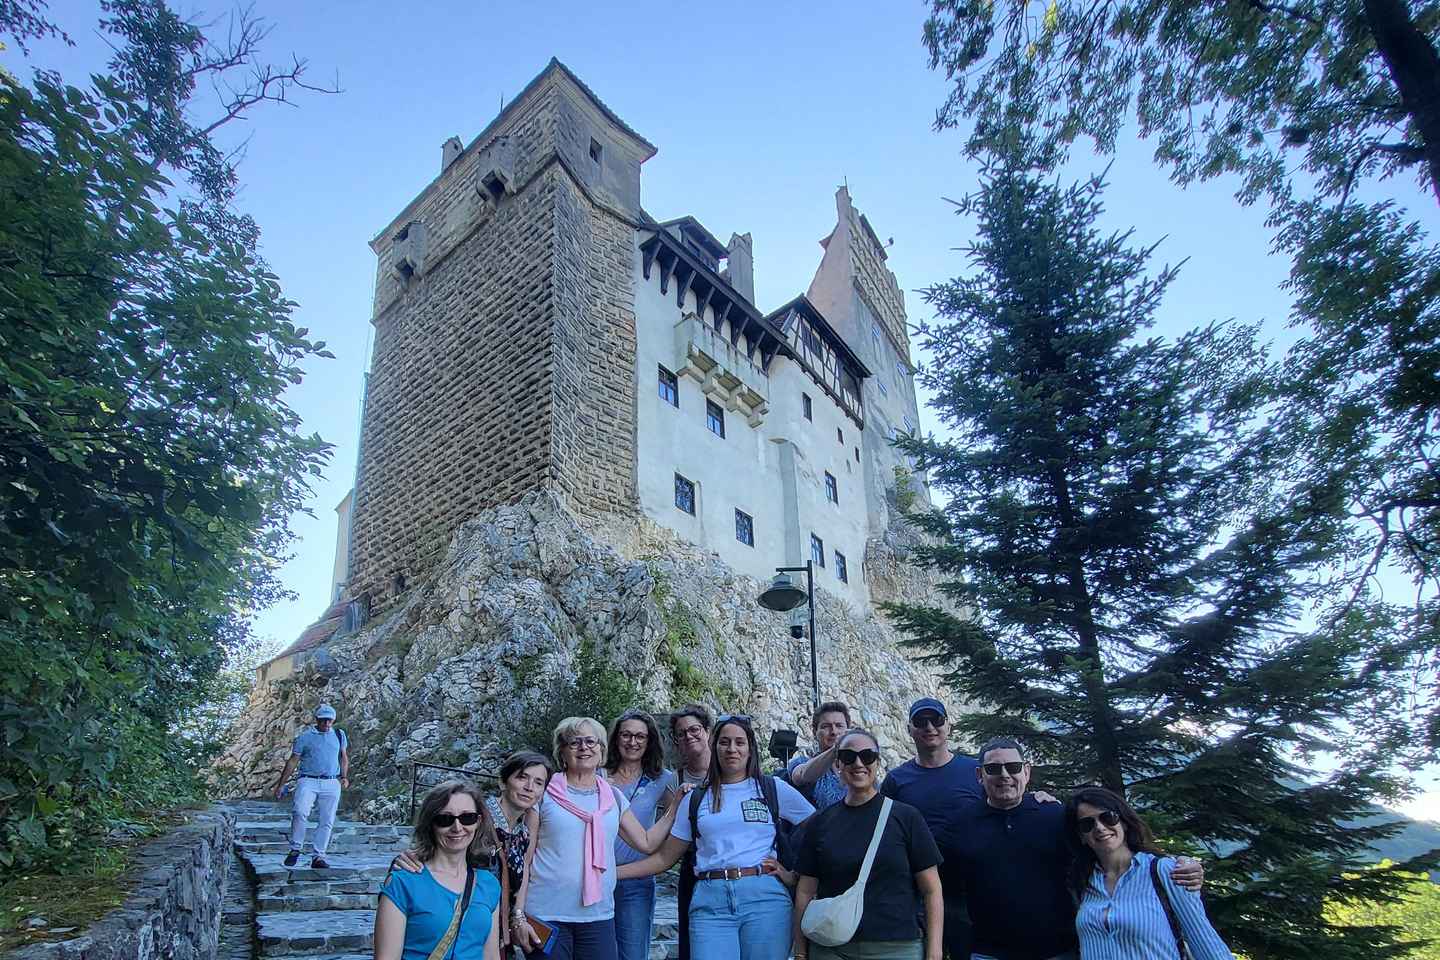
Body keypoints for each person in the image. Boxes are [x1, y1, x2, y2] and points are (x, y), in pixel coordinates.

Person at [952, 739, 1205, 960]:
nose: (1004, 775)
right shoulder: (961, 824)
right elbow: (941, 880)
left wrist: (1178, 863)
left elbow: (1108, 847)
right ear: (980, 775)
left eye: (1013, 767)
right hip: (990, 953)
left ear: (1026, 772)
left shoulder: (1056, 815)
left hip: (1060, 951)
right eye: (993, 769)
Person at [619, 714, 815, 960]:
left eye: (739, 742)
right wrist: (611, 873)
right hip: (711, 901)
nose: (732, 749)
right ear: (714, 746)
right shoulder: (696, 798)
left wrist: (796, 874)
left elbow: (820, 829)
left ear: (750, 749)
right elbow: (664, 858)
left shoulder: (772, 788)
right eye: (724, 742)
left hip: (764, 898)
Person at [793, 728, 944, 960]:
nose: (858, 763)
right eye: (848, 756)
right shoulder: (821, 822)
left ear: (877, 762)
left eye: (867, 756)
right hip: (832, 948)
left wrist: (934, 951)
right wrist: (801, 952)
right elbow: (805, 891)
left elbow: (931, 889)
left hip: (896, 947)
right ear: (838, 764)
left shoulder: (906, 817)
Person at [1065, 787, 1233, 960]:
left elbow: (1202, 938)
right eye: (1087, 824)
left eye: (1108, 817)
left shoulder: (1164, 871)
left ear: (1123, 822)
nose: (1100, 828)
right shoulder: (1082, 882)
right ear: (1081, 836)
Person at [878, 698, 983, 959]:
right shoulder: (896, 780)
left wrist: (1039, 798)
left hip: (969, 891)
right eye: (920, 721)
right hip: (915, 893)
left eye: (936, 720)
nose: (929, 727)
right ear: (909, 729)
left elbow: (1005, 801)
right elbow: (883, 833)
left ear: (948, 726)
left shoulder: (975, 771)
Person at [375, 779, 502, 960]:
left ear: (478, 822)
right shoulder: (404, 883)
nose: (457, 828)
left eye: (467, 818)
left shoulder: (489, 884)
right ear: (431, 824)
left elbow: (491, 955)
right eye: (445, 819)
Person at [606, 710, 682, 960]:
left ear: (650, 742)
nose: (632, 742)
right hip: (595, 877)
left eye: (640, 736)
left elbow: (673, 823)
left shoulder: (663, 779)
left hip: (635, 881)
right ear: (616, 738)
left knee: (632, 954)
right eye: (626, 735)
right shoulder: (598, 775)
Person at [487, 751, 550, 956]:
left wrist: (518, 916)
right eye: (522, 777)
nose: (529, 787)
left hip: (498, 933)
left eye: (538, 782)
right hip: (466, 929)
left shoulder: (522, 833)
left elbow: (521, 875)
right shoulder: (476, 819)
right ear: (503, 782)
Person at [273, 703, 350, 869]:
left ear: (333, 720)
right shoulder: (305, 737)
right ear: (317, 720)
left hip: (331, 781)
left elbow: (343, 757)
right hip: (308, 779)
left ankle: (318, 856)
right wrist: (281, 784)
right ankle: (295, 848)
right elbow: (293, 760)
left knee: (327, 819)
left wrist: (344, 777)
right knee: (300, 811)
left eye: (329, 720)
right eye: (323, 720)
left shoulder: (339, 735)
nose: (326, 723)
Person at [668, 704, 714, 960]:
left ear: (707, 731)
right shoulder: (674, 779)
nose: (689, 736)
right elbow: (670, 827)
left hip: (731, 864)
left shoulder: (731, 770)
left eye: (694, 729)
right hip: (693, 864)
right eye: (681, 733)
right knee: (690, 936)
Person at [785, 701, 852, 813]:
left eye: (839, 726)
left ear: (848, 729)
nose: (834, 732)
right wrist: (836, 749)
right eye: (826, 726)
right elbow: (801, 775)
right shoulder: (802, 762)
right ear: (815, 732)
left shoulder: (859, 769)